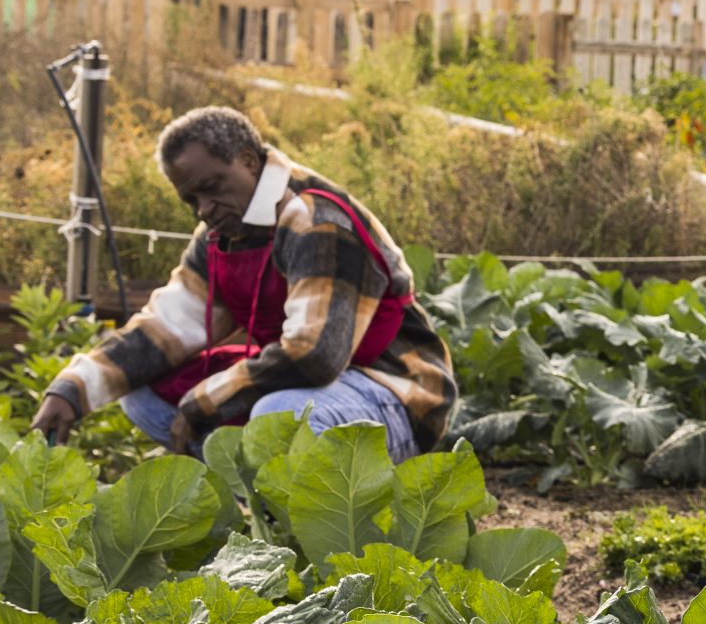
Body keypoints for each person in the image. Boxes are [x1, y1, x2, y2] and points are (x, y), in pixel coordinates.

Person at [31, 106, 455, 460]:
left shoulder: (317, 220)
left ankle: (315, 504)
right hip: (317, 389)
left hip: (393, 392)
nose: (203, 209)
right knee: (141, 393)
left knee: (279, 413)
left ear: (250, 161)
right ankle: (253, 494)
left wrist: (205, 402)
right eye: (191, 199)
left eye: (212, 188)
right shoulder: (222, 233)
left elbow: (316, 355)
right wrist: (72, 388)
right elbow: (166, 328)